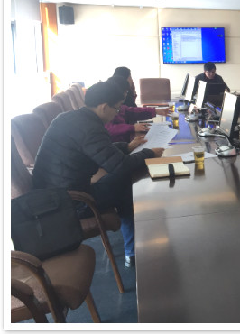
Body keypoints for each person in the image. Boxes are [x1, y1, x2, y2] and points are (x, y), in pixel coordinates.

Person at [32, 80, 164, 268]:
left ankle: (132, 246)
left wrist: (126, 147)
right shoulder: (91, 128)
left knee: (123, 180)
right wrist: (149, 153)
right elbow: (119, 165)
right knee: (125, 180)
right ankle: (133, 250)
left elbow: (98, 150)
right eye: (116, 109)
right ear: (103, 107)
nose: (117, 113)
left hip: (50, 195)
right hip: (70, 202)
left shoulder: (70, 118)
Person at [105, 74, 159, 142]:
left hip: (124, 141)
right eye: (126, 92)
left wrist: (155, 111)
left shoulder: (117, 103)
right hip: (116, 143)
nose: (126, 94)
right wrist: (132, 128)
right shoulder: (107, 108)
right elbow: (109, 129)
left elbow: (130, 112)